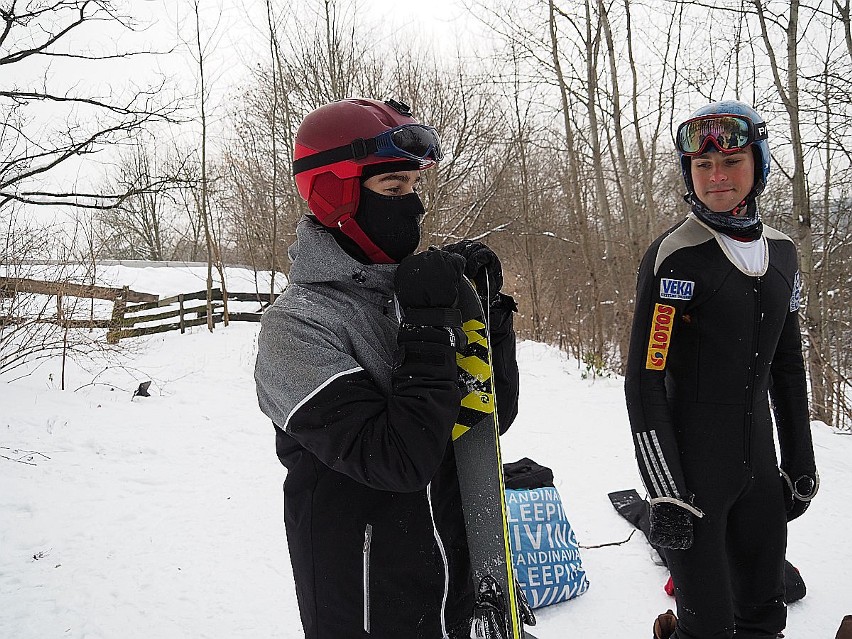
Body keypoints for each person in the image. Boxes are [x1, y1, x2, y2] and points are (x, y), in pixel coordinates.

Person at [254, 97, 520, 639]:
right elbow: (398, 460)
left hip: (451, 577)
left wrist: (486, 314)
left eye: (413, 189)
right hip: (367, 597)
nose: (414, 207)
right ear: (338, 197)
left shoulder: (406, 290)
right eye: (393, 191)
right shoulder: (296, 329)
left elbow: (487, 419)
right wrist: (426, 321)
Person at [624, 100, 819, 639]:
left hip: (759, 466)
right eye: (703, 166)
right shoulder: (675, 257)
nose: (716, 177)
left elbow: (787, 365)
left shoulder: (783, 254)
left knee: (764, 615)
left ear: (759, 165)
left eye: (731, 161)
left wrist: (799, 459)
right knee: (707, 627)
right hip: (692, 477)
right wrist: (664, 491)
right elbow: (644, 379)